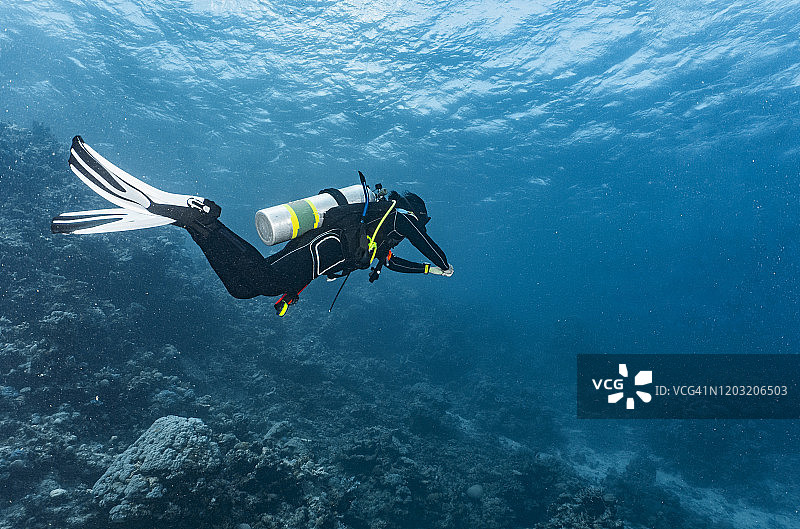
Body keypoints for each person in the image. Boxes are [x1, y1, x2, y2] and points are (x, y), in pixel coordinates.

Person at [52, 136, 453, 316]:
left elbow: (396, 262)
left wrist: (430, 271)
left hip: (320, 256)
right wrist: (444, 261)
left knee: (245, 289)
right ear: (410, 214)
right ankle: (202, 215)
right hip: (320, 246)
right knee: (261, 279)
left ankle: (194, 225)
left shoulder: (383, 236)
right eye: (414, 222)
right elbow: (420, 237)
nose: (407, 232)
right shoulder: (396, 217)